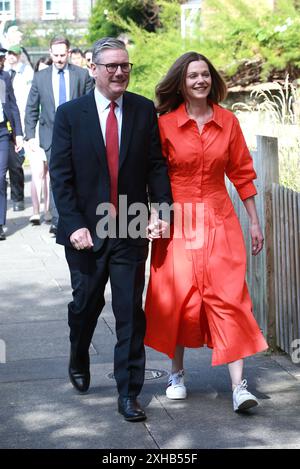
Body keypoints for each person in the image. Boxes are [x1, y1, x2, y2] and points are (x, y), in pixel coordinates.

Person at [49, 37, 173, 422]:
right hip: (85, 230)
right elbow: (61, 176)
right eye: (111, 66)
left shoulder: (141, 110)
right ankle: (78, 350)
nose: (119, 72)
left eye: (125, 66)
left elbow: (156, 165)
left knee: (129, 312)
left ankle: (128, 393)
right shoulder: (71, 114)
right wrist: (73, 226)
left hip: (131, 225)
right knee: (86, 304)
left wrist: (162, 211)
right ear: (94, 69)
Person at [144, 52, 269, 412]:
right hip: (178, 222)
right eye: (192, 76)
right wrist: (155, 215)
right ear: (181, 84)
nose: (200, 81)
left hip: (219, 221)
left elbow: (242, 173)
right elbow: (155, 177)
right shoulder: (165, 124)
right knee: (179, 296)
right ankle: (176, 374)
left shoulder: (228, 122)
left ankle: (239, 387)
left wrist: (255, 221)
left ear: (211, 79)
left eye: (204, 75)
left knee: (229, 296)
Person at [25, 37, 94, 235]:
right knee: (57, 177)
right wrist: (30, 135)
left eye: (62, 55)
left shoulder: (82, 75)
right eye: (55, 55)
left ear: (69, 53)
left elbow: (91, 106)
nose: (59, 59)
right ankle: (58, 219)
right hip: (51, 135)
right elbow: (31, 107)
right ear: (49, 53)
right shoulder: (41, 78)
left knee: (79, 175)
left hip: (79, 135)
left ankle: (79, 214)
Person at [5, 44, 34, 212]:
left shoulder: (27, 72)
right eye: (9, 53)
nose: (11, 57)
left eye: (14, 54)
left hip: (20, 122)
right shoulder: (3, 74)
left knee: (16, 163)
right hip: (6, 124)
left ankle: (18, 197)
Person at [0, 47, 23, 240]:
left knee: (0, 176)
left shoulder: (4, 77)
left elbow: (12, 105)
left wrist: (19, 134)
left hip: (1, 132)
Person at [27, 57, 53, 225]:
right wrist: (28, 136)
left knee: (50, 175)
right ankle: (36, 211)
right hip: (37, 134)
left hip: (52, 134)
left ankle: (48, 210)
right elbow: (31, 109)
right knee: (37, 173)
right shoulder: (36, 84)